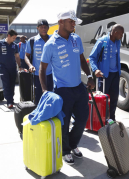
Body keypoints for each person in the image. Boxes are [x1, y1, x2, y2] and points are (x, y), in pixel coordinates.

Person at [39, 10, 95, 165]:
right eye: (71, 21)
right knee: (64, 123)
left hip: (79, 87)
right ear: (61, 22)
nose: (74, 23)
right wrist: (45, 91)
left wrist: (89, 76)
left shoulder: (76, 39)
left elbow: (83, 60)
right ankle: (65, 150)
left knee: (82, 120)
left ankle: (72, 144)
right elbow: (42, 69)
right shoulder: (50, 44)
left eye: (74, 21)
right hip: (63, 90)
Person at [89, 24, 124, 121]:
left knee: (113, 99)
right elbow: (92, 57)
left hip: (115, 74)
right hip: (104, 76)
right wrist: (96, 69)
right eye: (121, 33)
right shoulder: (102, 41)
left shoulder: (117, 42)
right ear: (115, 32)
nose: (122, 36)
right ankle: (101, 120)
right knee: (103, 100)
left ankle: (111, 119)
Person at [0, 29, 22, 108]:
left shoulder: (14, 45)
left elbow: (17, 57)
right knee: (6, 84)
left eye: (15, 38)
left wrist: (20, 66)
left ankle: (11, 99)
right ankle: (9, 101)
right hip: (3, 67)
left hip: (12, 68)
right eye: (13, 37)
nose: (14, 39)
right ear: (8, 36)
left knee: (12, 85)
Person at [25, 19, 53, 105]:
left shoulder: (52, 40)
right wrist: (30, 65)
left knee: (52, 96)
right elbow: (26, 56)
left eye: (45, 27)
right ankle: (40, 116)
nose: (43, 29)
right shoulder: (32, 41)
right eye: (41, 27)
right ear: (37, 28)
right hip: (38, 75)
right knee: (39, 97)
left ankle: (51, 115)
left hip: (52, 74)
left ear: (48, 28)